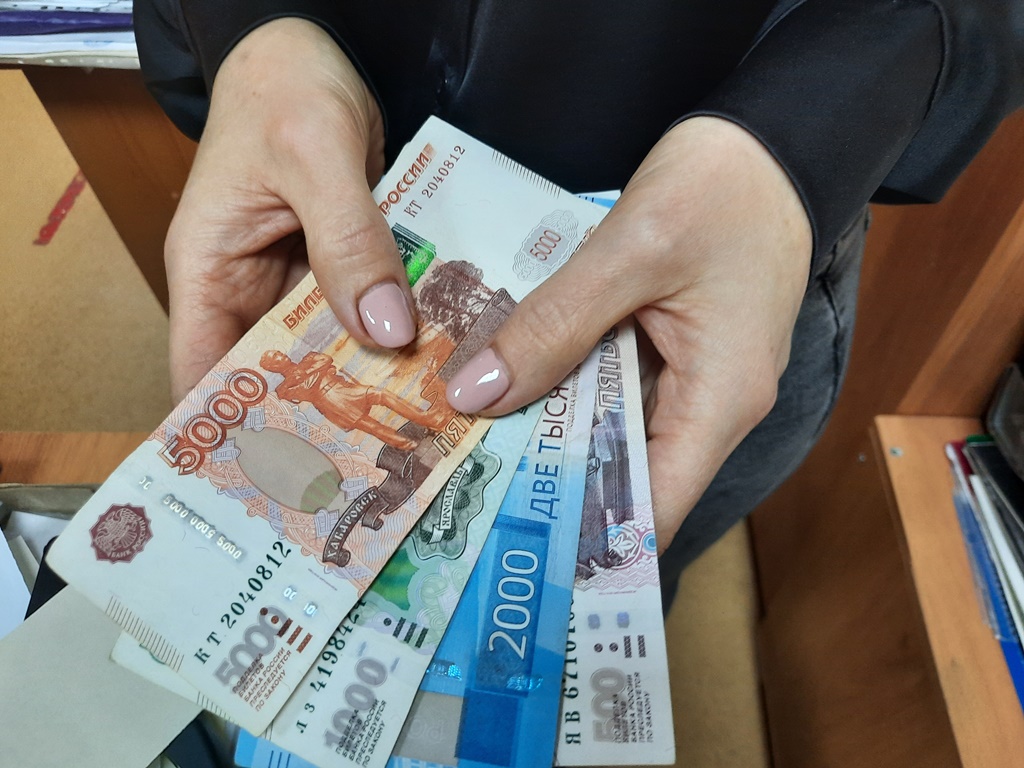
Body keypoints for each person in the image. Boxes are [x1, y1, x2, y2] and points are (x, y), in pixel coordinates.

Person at [133, 2, 1023, 606]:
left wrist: (801, 134)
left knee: (585, 614)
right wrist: (253, 29)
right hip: (318, 177)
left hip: (713, 260)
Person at [261, 349, 444, 451]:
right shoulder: (283, 389)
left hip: (345, 388)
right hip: (332, 404)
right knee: (371, 426)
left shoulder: (308, 358)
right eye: (276, 357)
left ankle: (427, 419)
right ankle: (409, 445)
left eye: (278, 352)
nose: (281, 355)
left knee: (382, 394)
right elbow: (305, 391)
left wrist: (306, 375)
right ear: (272, 367)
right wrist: (317, 374)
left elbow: (326, 360)